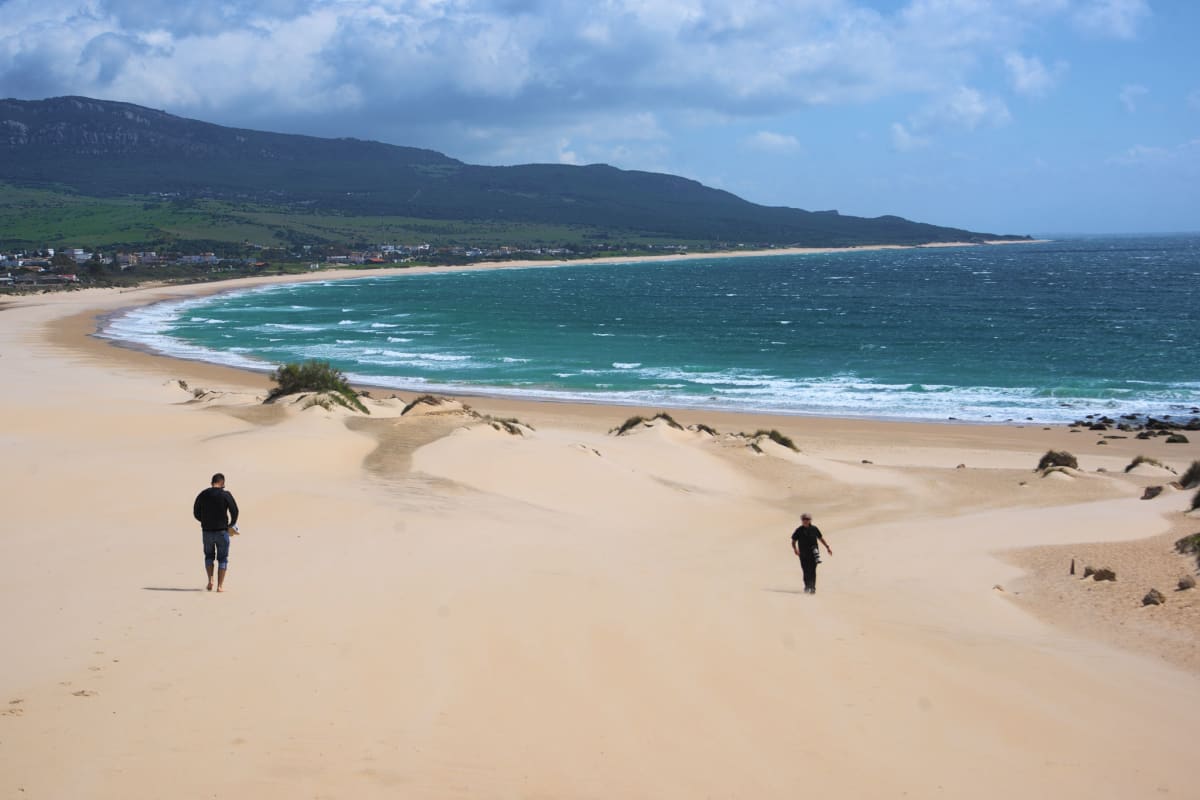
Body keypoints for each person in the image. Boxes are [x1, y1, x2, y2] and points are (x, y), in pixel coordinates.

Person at [193, 472, 239, 592]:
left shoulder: (203, 494)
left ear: (212, 482)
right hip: (222, 531)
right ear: (222, 483)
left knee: (208, 556)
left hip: (207, 531)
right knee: (223, 559)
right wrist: (231, 524)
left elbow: (196, 512)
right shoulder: (225, 494)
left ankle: (210, 580)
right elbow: (235, 510)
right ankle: (219, 586)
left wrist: (204, 520)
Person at [791, 513, 831, 594]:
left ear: (810, 520)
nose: (805, 521)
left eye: (807, 520)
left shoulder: (814, 529)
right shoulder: (799, 530)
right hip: (803, 554)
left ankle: (812, 587)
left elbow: (820, 538)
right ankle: (807, 586)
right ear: (802, 521)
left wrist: (827, 547)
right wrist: (795, 550)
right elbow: (793, 541)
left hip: (814, 553)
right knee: (805, 571)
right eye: (804, 520)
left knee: (812, 571)